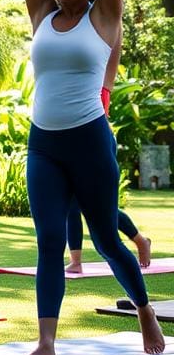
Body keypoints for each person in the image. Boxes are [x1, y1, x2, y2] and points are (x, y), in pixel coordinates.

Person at [16, 0, 164, 355]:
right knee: (49, 240)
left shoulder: (105, 17)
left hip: (89, 140)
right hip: (43, 143)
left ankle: (144, 309)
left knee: (105, 237)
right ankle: (47, 344)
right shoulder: (40, 14)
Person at [65, 34, 151, 272]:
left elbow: (114, 41)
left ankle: (139, 240)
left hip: (97, 142)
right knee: (72, 203)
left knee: (99, 206)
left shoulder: (100, 81)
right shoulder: (67, 81)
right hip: (70, 142)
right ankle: (76, 260)